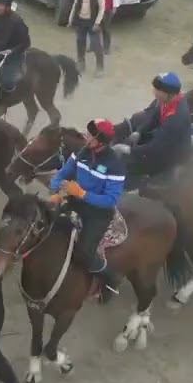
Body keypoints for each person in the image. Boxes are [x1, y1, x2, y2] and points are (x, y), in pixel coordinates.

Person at [48, 118, 127, 295]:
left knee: (83, 254)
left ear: (100, 141)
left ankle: (111, 277)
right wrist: (55, 190)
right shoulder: (80, 152)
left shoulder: (115, 166)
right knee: (47, 225)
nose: (85, 135)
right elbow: (61, 175)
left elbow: (110, 200)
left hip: (98, 213)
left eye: (90, 134)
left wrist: (82, 193)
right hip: (74, 200)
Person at [115, 72, 192, 187]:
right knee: (127, 142)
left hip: (169, 154)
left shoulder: (176, 118)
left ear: (169, 93)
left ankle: (129, 191)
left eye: (158, 90)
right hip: (161, 139)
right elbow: (154, 118)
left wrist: (129, 150)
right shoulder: (168, 101)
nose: (154, 93)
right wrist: (139, 132)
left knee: (124, 163)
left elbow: (156, 147)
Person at [0, 0, 32, 92]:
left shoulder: (17, 21)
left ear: (7, 6)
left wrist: (11, 51)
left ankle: (7, 96)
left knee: (7, 80)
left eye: (1, 5)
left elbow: (26, 43)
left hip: (13, 55)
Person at [71, 0, 108, 77]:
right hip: (80, 21)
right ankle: (81, 63)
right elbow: (75, 5)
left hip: (93, 22)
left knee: (96, 45)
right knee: (80, 42)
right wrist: (70, 19)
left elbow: (102, 8)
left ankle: (100, 67)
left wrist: (97, 23)